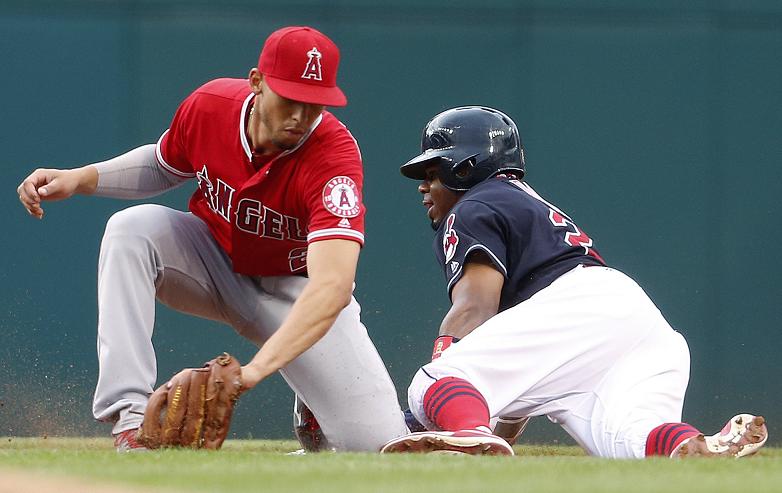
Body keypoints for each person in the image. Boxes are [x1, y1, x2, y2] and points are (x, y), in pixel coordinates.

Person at [16, 26, 408, 452]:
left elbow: (332, 286)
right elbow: (164, 163)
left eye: (314, 103)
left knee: (379, 446)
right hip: (211, 261)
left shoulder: (334, 156)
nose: (300, 114)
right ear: (257, 82)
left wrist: (255, 372)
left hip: (295, 293)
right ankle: (129, 418)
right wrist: (82, 178)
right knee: (131, 228)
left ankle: (311, 398)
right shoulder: (211, 106)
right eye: (289, 98)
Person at [379, 106, 768, 458]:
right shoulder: (517, 199)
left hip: (576, 305)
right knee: (632, 440)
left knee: (436, 379)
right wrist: (494, 429)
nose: (422, 187)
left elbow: (474, 308)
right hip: (628, 320)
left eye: (432, 174)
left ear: (463, 169)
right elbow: (520, 378)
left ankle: (465, 432)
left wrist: (437, 406)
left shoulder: (473, 207)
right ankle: (699, 446)